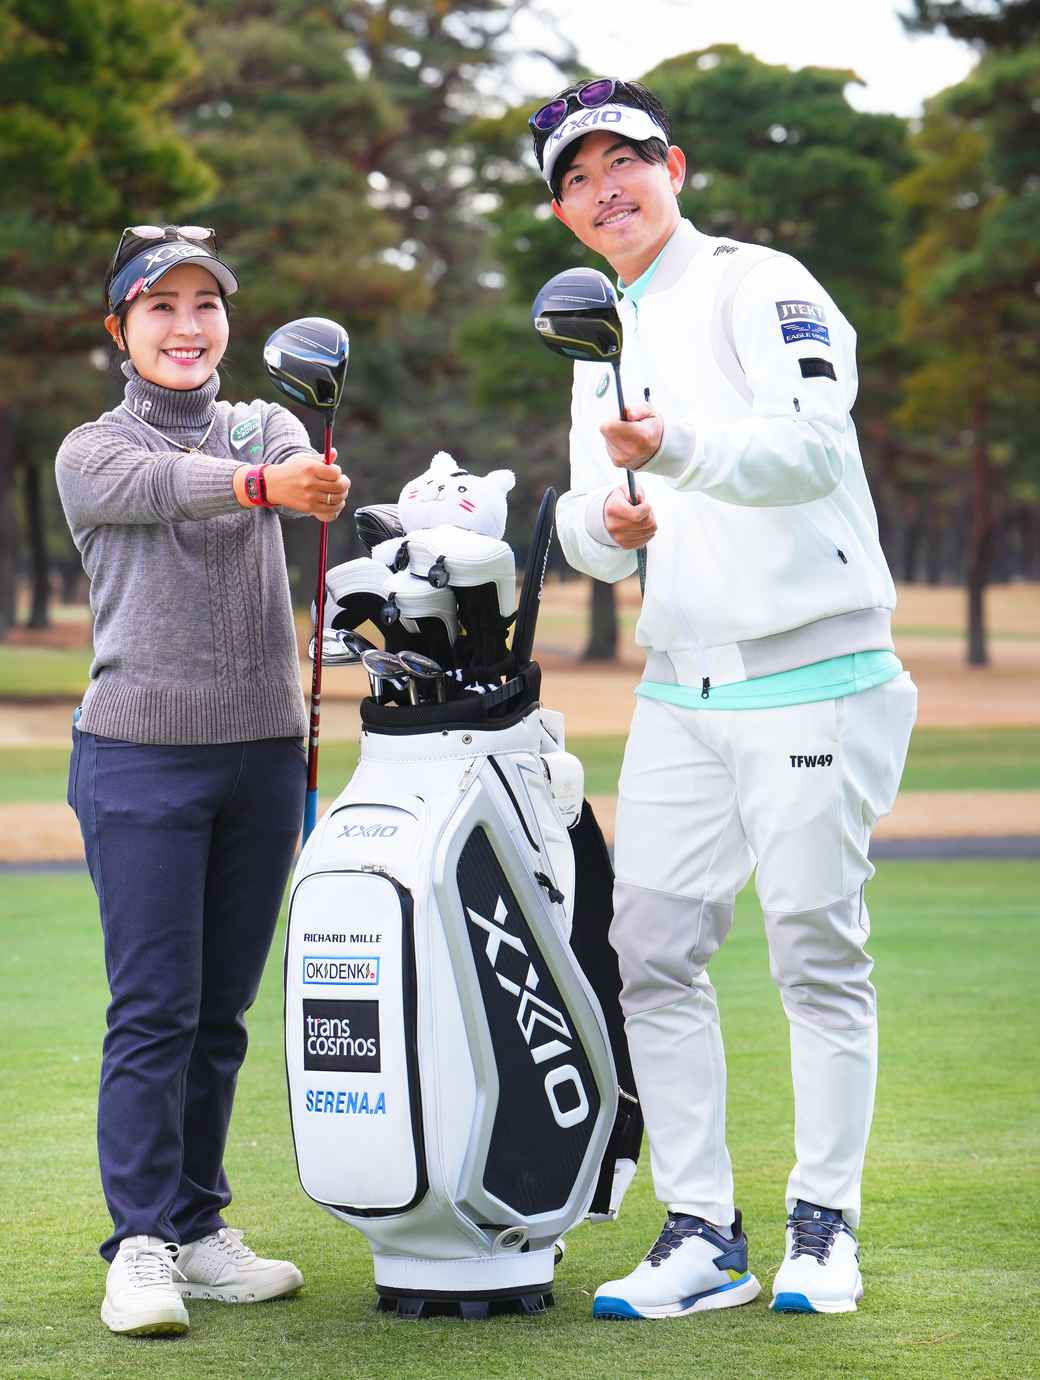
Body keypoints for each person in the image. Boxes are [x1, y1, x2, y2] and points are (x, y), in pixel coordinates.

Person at [531, 80, 918, 1319]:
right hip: (680, 686)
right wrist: (606, 523)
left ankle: (824, 1224)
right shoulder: (596, 333)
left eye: (623, 163)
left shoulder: (761, 283)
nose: (604, 190)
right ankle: (701, 1231)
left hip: (812, 674)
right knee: (646, 954)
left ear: (674, 168)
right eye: (576, 179)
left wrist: (675, 451)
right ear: (561, 212)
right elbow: (589, 530)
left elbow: (811, 445)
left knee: (813, 946)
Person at [55, 225, 350, 1337]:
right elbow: (178, 487)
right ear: (119, 329)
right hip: (140, 755)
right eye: (161, 307)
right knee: (154, 1011)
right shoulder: (93, 451)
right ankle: (138, 1246)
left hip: (262, 752)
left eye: (205, 306)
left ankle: (195, 1225)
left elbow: (284, 463)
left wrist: (306, 482)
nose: (187, 327)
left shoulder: (264, 421)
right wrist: (266, 485)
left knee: (220, 1014)